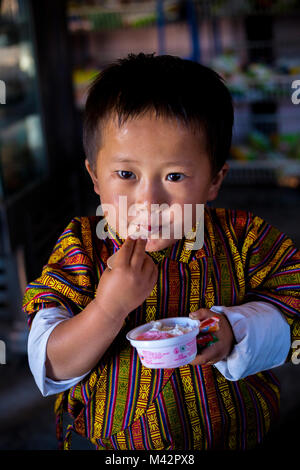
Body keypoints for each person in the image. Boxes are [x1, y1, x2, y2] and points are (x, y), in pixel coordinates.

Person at [23, 53, 300, 451]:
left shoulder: (246, 239)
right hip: (112, 446)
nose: (149, 200)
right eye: (125, 175)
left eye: (174, 176)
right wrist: (107, 309)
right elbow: (51, 365)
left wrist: (236, 331)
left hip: (233, 437)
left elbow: (293, 306)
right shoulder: (80, 248)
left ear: (214, 180)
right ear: (94, 178)